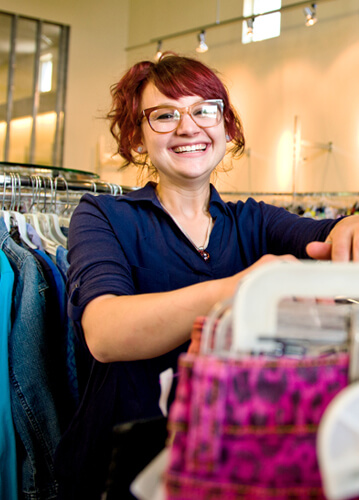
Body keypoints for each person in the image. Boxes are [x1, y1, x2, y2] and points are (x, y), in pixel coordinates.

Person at [55, 53, 359, 499]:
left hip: (231, 464)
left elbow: (329, 236)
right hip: (119, 468)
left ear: (226, 127)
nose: (188, 126)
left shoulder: (254, 221)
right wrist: (242, 288)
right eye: (164, 115)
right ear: (137, 137)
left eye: (204, 110)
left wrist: (349, 224)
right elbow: (105, 332)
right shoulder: (104, 216)